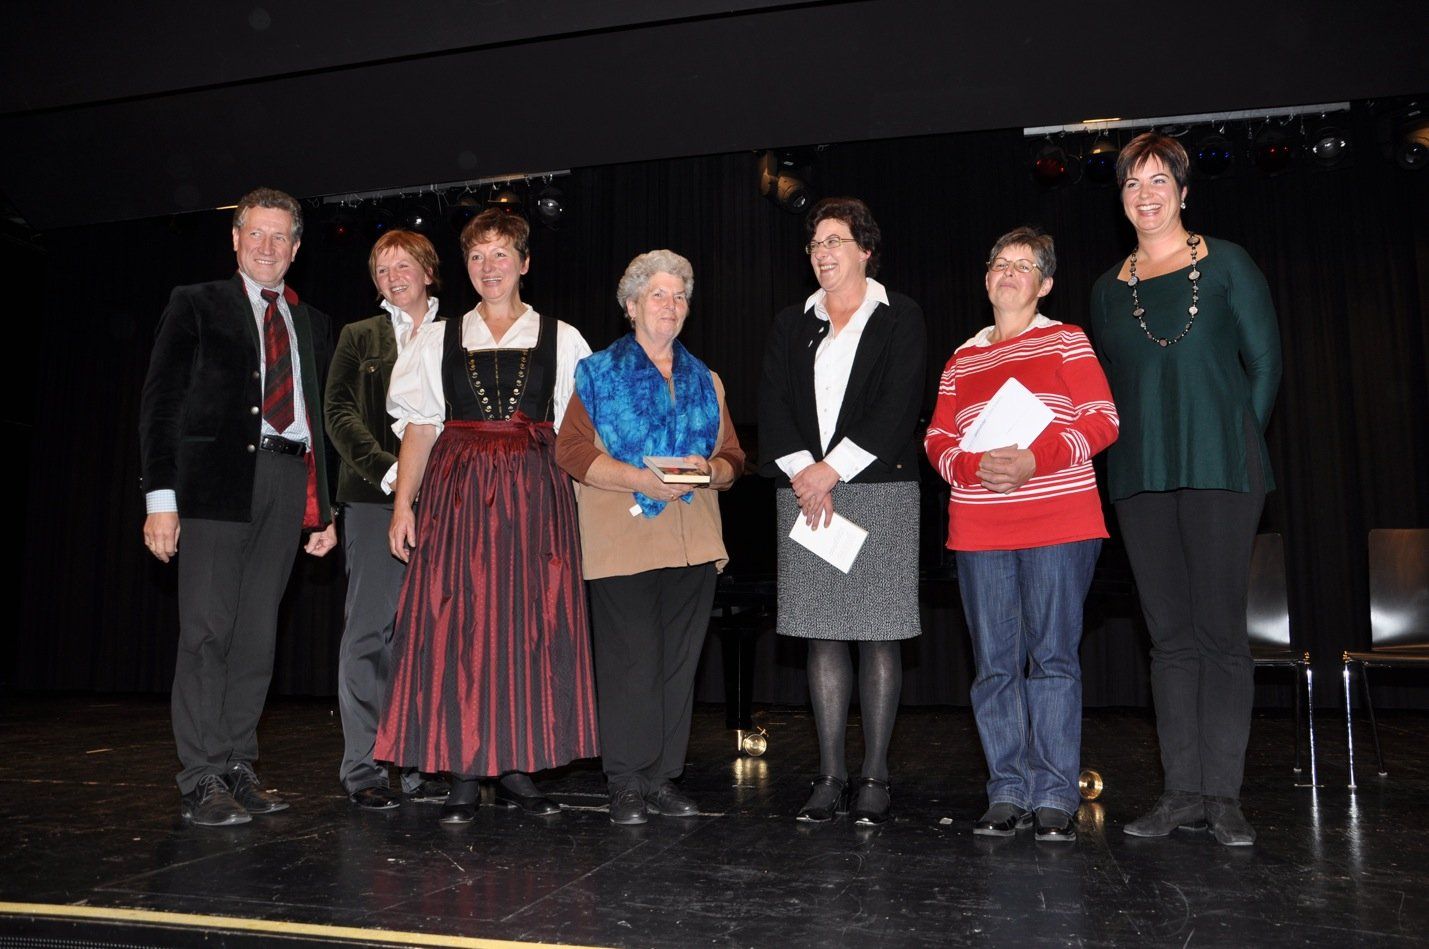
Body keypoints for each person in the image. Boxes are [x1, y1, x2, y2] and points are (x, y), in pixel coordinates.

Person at [375, 208, 599, 823]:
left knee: (529, 622)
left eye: (500, 254)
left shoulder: (562, 337)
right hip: (459, 494)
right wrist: (403, 505)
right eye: (477, 256)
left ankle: (520, 764)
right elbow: (421, 428)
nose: (488, 266)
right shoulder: (438, 338)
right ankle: (465, 770)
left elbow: (579, 431)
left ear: (524, 263)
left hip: (535, 494)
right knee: (460, 621)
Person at [1089, 132, 1282, 846]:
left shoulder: (1228, 263)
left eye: (1157, 181)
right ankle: (1179, 792)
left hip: (1222, 470)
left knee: (1219, 634)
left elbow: (1265, 364)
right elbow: (1113, 388)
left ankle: (1221, 796)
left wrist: (1234, 440)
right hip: (1140, 476)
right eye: (1131, 184)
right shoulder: (1107, 290)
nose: (1145, 195)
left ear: (1183, 191)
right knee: (1168, 639)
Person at [139, 187, 338, 827]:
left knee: (257, 636)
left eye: (280, 236)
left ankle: (236, 764)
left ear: (296, 248)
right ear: (235, 239)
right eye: (256, 233)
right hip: (215, 485)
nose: (267, 246)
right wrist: (161, 499)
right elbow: (162, 405)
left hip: (287, 480)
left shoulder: (312, 323)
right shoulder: (195, 303)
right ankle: (201, 775)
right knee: (207, 631)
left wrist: (324, 511)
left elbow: (320, 420)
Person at [925, 226, 1119, 843]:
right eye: (999, 264)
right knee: (994, 665)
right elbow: (936, 439)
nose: (1008, 273)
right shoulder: (961, 359)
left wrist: (1037, 460)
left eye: (1023, 265)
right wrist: (968, 466)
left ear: (1046, 283)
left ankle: (1055, 795)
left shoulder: (1067, 341)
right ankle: (1007, 790)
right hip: (979, 527)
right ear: (986, 280)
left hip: (1059, 520)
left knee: (1053, 658)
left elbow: (1103, 420)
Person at [555, 250, 745, 825]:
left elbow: (734, 458)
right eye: (658, 294)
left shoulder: (706, 379)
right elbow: (570, 452)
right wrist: (640, 479)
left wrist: (710, 470)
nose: (671, 305)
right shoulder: (598, 374)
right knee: (630, 666)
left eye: (680, 296)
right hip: (623, 540)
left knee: (678, 668)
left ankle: (662, 780)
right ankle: (626, 783)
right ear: (632, 305)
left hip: (693, 541)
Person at [757, 197, 927, 825]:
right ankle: (830, 775)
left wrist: (833, 469)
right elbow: (773, 404)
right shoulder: (791, 323)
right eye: (815, 244)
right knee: (822, 633)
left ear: (865, 250)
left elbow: (899, 404)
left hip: (879, 490)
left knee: (879, 633)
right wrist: (807, 473)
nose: (822, 253)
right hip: (806, 492)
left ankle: (875, 774)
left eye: (835, 241)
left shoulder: (900, 316)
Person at [324, 230, 448, 810]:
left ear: (428, 271)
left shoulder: (462, 333)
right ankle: (365, 767)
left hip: (446, 504)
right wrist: (391, 473)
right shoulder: (360, 336)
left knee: (428, 638)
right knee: (370, 634)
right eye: (382, 269)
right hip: (376, 500)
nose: (393, 277)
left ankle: (420, 762)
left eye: (403, 266)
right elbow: (337, 413)